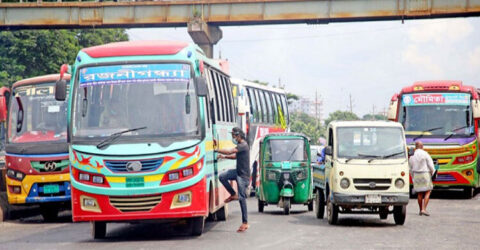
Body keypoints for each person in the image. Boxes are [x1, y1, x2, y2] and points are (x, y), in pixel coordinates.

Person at [217, 127, 250, 232]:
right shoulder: (241, 146)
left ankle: (245, 223)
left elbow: (230, 151)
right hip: (237, 172)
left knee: (242, 199)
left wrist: (216, 149)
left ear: (239, 135)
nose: (233, 138)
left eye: (234, 136)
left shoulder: (243, 145)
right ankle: (233, 194)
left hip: (243, 176)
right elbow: (235, 156)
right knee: (222, 177)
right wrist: (223, 157)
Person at [408, 141, 435, 216]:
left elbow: (410, 166)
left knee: (420, 193)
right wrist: (433, 172)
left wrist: (413, 175)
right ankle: (424, 209)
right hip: (425, 174)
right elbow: (431, 165)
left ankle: (420, 209)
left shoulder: (412, 155)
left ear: (415, 147)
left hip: (416, 174)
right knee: (428, 191)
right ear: (422, 146)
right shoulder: (425, 153)